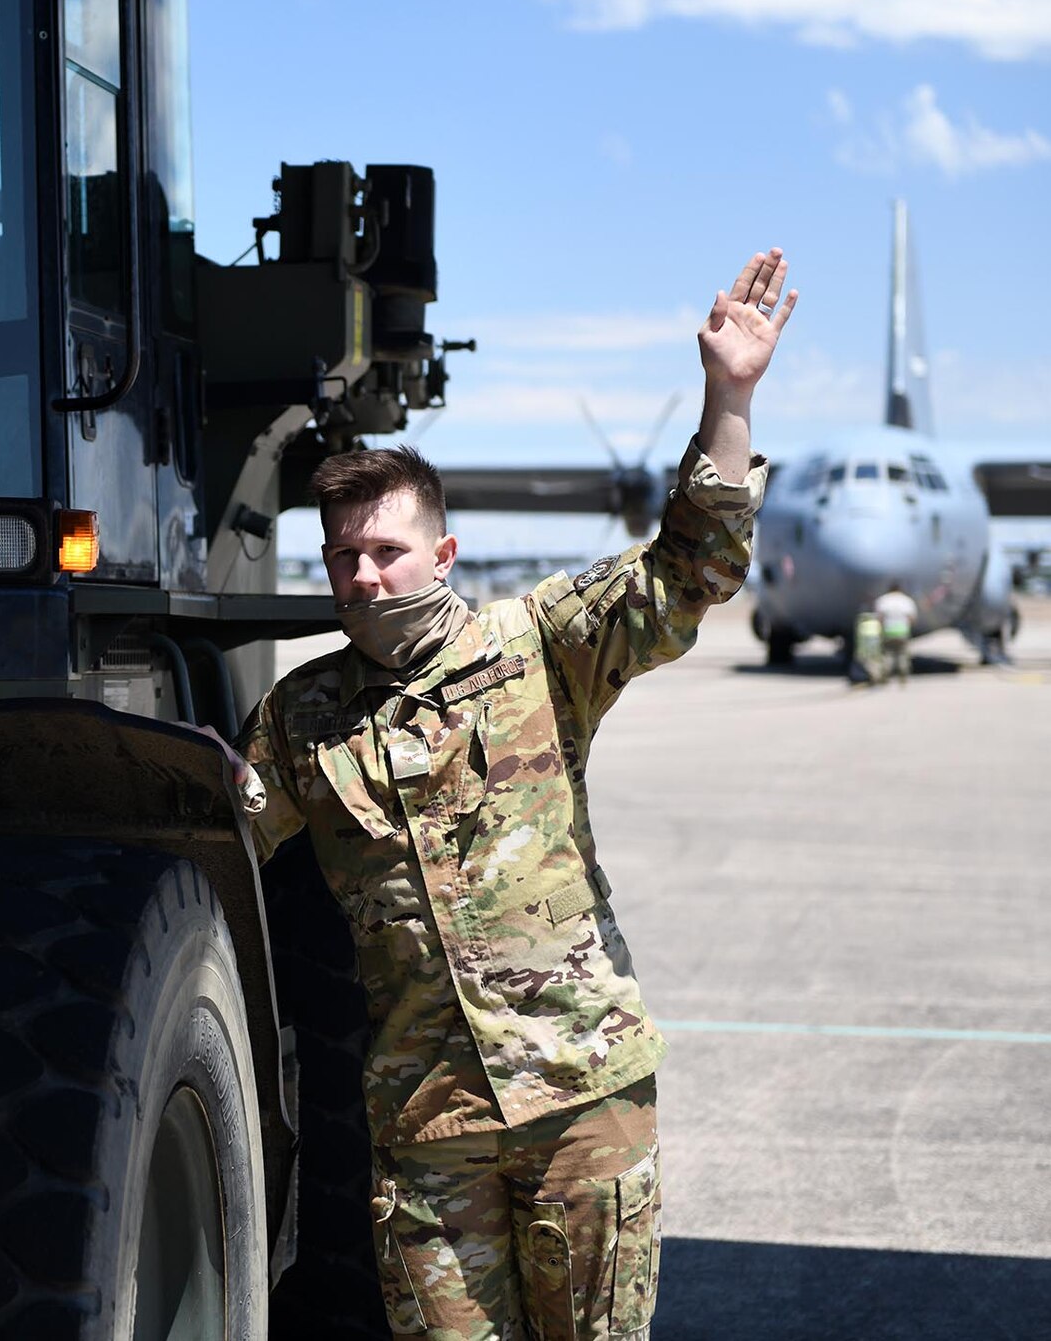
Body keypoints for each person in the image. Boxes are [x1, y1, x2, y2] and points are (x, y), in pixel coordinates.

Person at [228, 251, 796, 1340]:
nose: (363, 577)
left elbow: (690, 567)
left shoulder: (535, 645)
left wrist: (729, 395)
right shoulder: (303, 717)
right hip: (427, 1125)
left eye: (386, 552)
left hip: (579, 1096)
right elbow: (221, 838)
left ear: (441, 551)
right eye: (342, 558)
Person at [873, 582, 917, 685]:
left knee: (887, 654)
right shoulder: (906, 600)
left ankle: (886, 675)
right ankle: (903, 673)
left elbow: (880, 617)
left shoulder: (883, 600)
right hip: (902, 630)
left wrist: (880, 629)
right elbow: (911, 618)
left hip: (888, 630)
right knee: (902, 654)